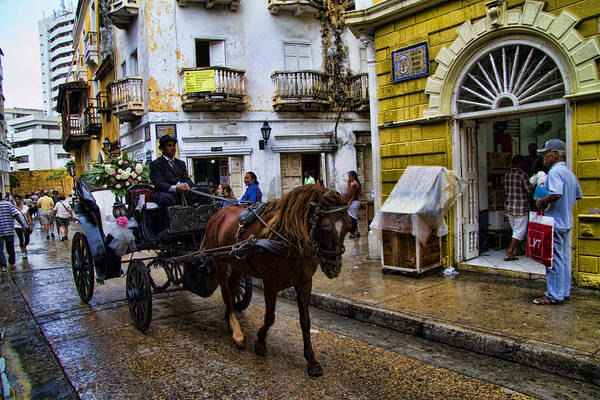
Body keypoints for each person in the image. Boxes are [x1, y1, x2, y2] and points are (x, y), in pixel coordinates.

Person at [533, 139, 582, 305]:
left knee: (552, 260)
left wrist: (541, 201)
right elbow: (577, 195)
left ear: (555, 154)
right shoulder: (568, 172)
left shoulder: (554, 172)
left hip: (554, 222)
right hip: (566, 221)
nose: (543, 157)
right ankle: (563, 291)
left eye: (546, 154)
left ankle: (554, 295)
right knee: (564, 259)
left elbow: (556, 194)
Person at [150, 135, 204, 230]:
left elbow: (187, 179)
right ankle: (166, 228)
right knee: (166, 199)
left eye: (174, 146)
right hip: (166, 193)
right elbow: (158, 183)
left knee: (204, 192)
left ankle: (201, 220)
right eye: (169, 145)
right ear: (162, 148)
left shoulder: (181, 163)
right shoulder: (156, 164)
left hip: (183, 192)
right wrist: (175, 188)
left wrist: (186, 185)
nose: (172, 148)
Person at [503, 155, 532, 261]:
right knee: (520, 230)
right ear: (519, 163)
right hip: (520, 206)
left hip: (509, 205)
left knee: (515, 229)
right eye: (523, 162)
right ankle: (510, 251)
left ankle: (518, 249)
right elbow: (528, 190)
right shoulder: (522, 174)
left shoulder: (507, 174)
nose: (524, 165)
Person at [0, 195, 26, 272]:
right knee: (10, 246)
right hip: (9, 230)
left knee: (0, 249)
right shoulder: (8, 204)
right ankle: (11, 261)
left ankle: (3, 265)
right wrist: (22, 225)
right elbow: (16, 215)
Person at [345, 171, 361, 239]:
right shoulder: (353, 184)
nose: (348, 178)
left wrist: (349, 203)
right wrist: (348, 184)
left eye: (349, 176)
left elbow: (352, 195)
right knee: (352, 216)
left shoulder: (354, 184)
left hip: (354, 202)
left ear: (353, 176)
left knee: (352, 217)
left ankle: (356, 232)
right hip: (354, 202)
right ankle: (355, 232)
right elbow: (349, 192)